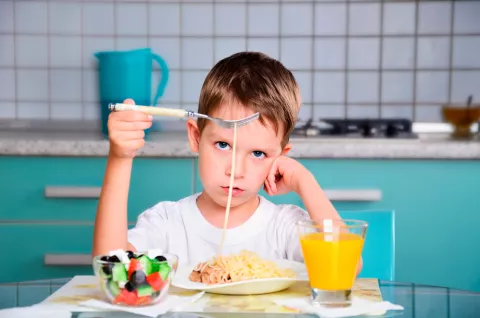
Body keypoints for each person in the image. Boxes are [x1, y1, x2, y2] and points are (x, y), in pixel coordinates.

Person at [92, 51, 362, 274]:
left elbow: (345, 269)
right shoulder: (167, 222)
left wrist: (305, 182)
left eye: (258, 154)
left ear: (280, 157)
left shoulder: (284, 227)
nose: (236, 171)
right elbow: (111, 267)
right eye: (223, 145)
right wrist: (120, 157)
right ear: (196, 136)